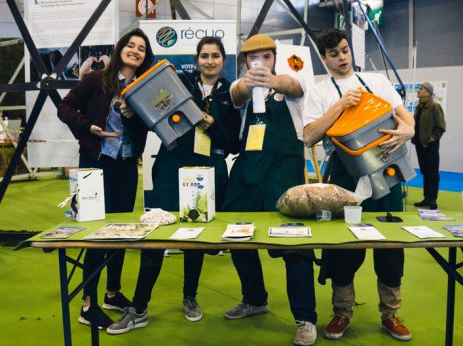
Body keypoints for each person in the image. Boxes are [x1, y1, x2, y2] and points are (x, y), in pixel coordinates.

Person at [106, 36, 241, 334]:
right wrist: (129, 115)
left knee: (195, 239)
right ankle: (139, 308)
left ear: (222, 60)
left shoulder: (229, 96)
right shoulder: (178, 83)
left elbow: (232, 144)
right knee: (156, 237)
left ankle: (189, 297)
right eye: (204, 55)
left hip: (208, 171)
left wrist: (209, 122)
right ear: (197, 59)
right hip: (170, 168)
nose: (209, 61)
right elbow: (148, 118)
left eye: (215, 56)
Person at [303, 28, 414, 341]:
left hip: (387, 171)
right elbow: (310, 135)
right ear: (324, 59)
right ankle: (341, 312)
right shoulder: (320, 90)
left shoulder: (376, 82)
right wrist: (339, 106)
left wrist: (408, 130)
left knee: (390, 246)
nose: (342, 58)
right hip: (345, 176)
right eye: (334, 54)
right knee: (344, 248)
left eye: (345, 50)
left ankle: (390, 314)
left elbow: (405, 117)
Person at [221, 34, 317, 346]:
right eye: (252, 57)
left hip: (284, 169)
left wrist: (273, 81)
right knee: (236, 234)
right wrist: (248, 85)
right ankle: (254, 298)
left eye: (265, 55)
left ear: (275, 57)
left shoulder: (289, 77)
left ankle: (305, 317)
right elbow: (235, 95)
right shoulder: (242, 85)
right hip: (248, 169)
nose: (259, 61)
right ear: (244, 61)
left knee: (295, 243)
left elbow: (296, 86)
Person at [57, 28, 154, 329]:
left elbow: (145, 130)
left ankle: (112, 292)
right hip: (95, 164)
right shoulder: (96, 80)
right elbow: (65, 108)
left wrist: (133, 115)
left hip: (125, 165)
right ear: (120, 48)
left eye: (141, 48)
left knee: (120, 231)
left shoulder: (141, 88)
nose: (135, 51)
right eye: (130, 44)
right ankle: (88, 304)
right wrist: (89, 127)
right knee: (98, 233)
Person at [412, 82, 446, 210]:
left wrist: (432, 138)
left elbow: (441, 126)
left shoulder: (434, 106)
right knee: (425, 171)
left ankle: (433, 199)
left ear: (427, 92)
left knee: (432, 172)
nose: (418, 91)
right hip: (420, 144)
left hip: (430, 145)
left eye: (421, 89)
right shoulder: (419, 107)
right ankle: (426, 198)